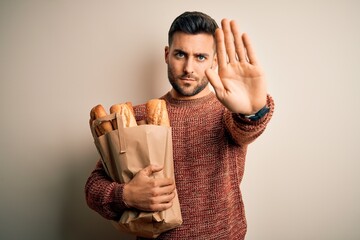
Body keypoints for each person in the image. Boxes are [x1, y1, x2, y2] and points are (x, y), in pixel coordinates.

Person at [85, 11, 274, 239]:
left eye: (201, 57)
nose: (188, 68)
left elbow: (245, 129)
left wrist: (252, 111)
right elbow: (93, 186)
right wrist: (126, 195)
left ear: (214, 60)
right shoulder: (137, 117)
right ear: (167, 54)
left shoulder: (229, 114)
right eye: (180, 54)